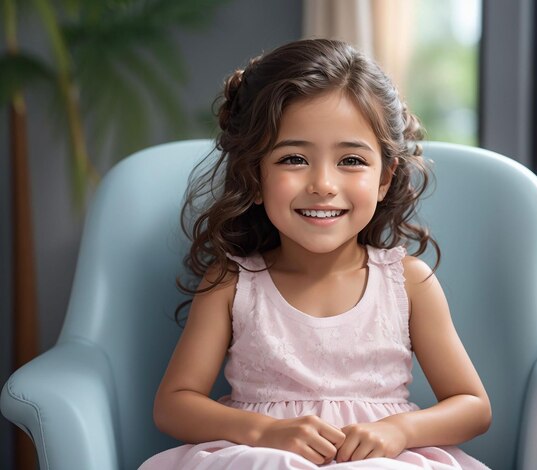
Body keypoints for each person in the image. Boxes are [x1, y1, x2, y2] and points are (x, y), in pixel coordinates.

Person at [139, 38, 492, 469]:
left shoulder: (408, 282)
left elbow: (472, 405)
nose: (323, 184)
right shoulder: (231, 282)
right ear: (254, 175)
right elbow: (174, 405)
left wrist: (398, 430)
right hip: (263, 455)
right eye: (293, 159)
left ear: (385, 177)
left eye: (351, 161)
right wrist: (264, 432)